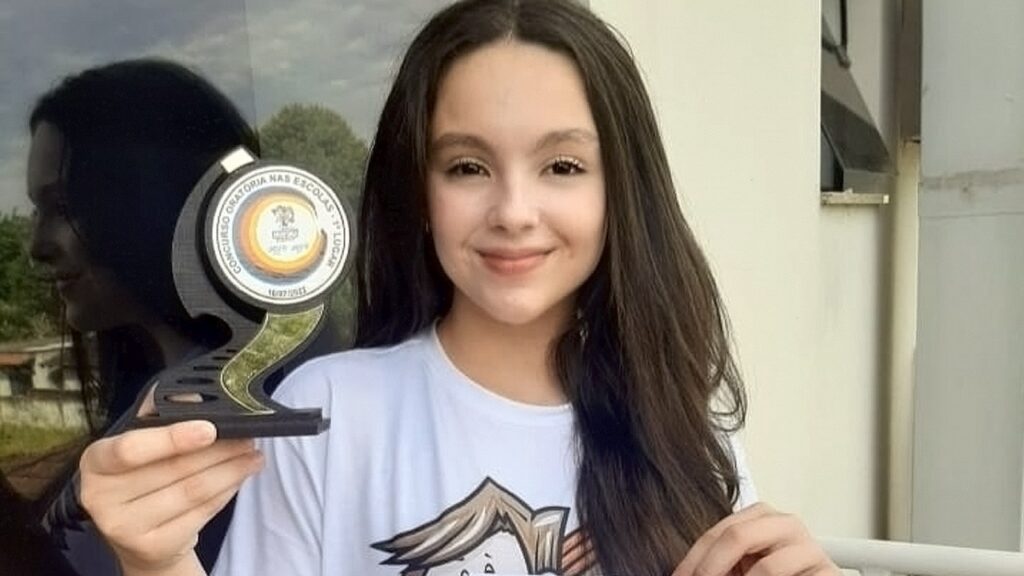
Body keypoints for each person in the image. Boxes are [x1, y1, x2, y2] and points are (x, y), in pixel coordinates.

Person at [78, 1, 842, 575]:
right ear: (421, 190)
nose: (514, 212)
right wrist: (157, 563)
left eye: (563, 166)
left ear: (621, 191)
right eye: (467, 167)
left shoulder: (682, 424)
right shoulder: (333, 412)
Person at [22, 58, 301, 574]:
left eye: (63, 206)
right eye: (39, 210)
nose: (36, 246)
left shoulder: (241, 414)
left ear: (150, 201)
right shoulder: (156, 392)